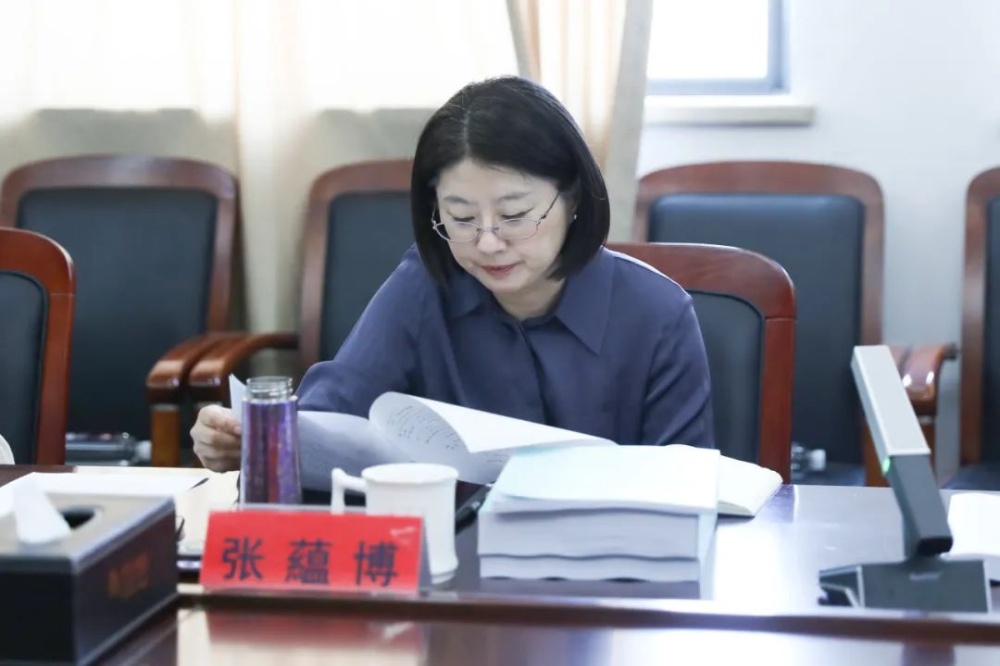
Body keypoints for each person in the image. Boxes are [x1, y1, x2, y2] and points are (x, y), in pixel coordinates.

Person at [192, 75, 714, 472]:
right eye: (461, 218)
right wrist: (248, 440)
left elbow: (689, 486)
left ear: (573, 198)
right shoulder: (425, 284)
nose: (487, 242)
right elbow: (331, 416)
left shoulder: (658, 314)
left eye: (514, 215)